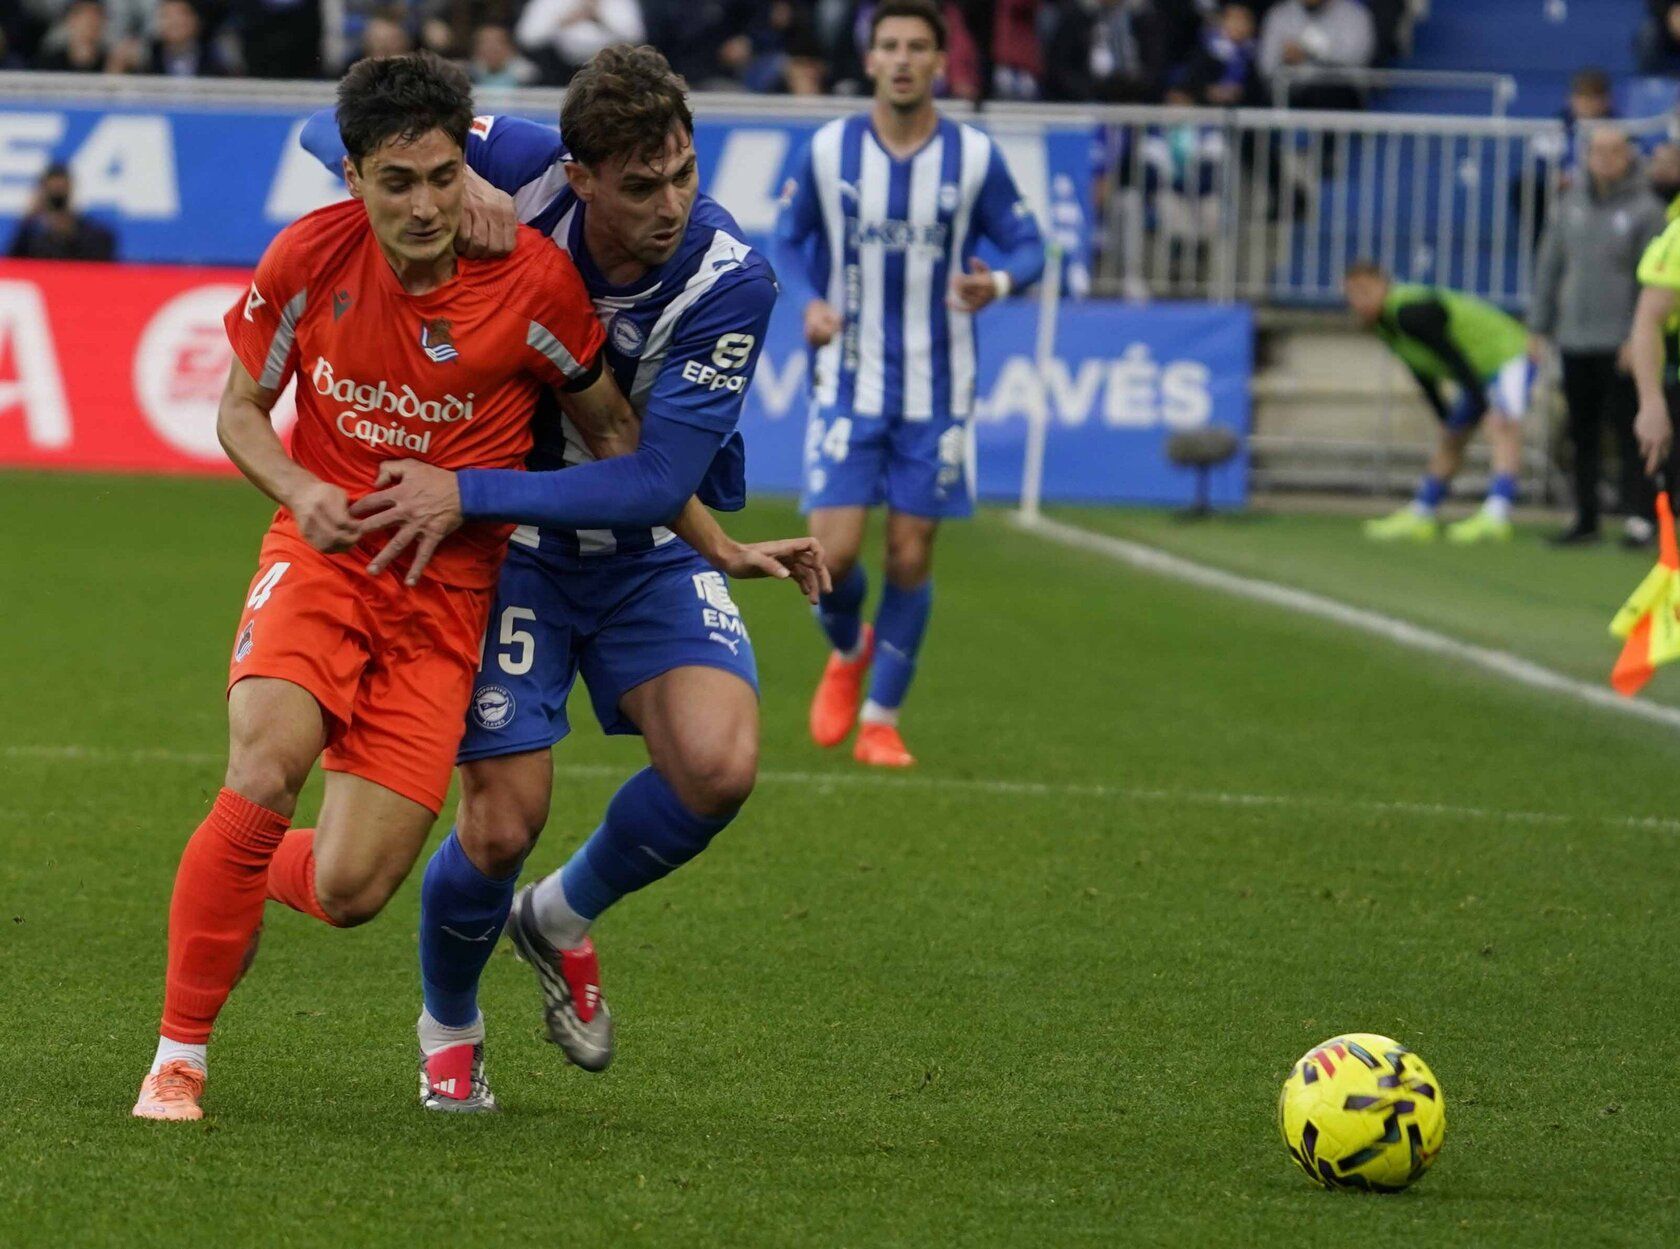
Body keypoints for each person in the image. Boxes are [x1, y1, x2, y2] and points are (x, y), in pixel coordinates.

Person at [298, 44, 826, 1111]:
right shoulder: (526, 168)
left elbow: (653, 479)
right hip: (513, 559)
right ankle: (449, 1021)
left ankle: (558, 915)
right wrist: (475, 181)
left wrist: (469, 490)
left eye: (684, 171)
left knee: (719, 766)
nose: (672, 202)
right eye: (641, 185)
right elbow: (331, 131)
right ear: (581, 176)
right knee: (499, 822)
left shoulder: (731, 281)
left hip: (636, 540)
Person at [127, 51, 621, 1122]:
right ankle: (179, 1058)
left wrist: (490, 496)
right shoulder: (307, 259)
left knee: (351, 891)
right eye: (397, 181)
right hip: (322, 554)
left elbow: (614, 439)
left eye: (443, 176)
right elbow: (240, 412)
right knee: (265, 764)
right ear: (352, 177)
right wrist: (300, 490)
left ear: (466, 169)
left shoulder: (535, 284)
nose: (425, 203)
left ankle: (229, 866)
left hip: (447, 601)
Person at [774, 0, 1045, 767]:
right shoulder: (829, 152)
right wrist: (810, 302)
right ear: (869, 60)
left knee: (910, 553)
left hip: (940, 386)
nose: (900, 58)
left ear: (939, 61)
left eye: (916, 46)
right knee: (830, 554)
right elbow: (786, 241)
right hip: (847, 380)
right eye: (888, 45)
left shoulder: (973, 157)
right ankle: (848, 646)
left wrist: (999, 278)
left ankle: (882, 720)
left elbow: (1030, 245)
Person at [1529, 126, 1667, 547]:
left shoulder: (1647, 209)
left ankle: (1640, 518)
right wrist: (1539, 326)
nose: (1606, 158)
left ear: (1629, 155)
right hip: (1575, 335)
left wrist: (1635, 336)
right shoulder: (1570, 204)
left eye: (1615, 150)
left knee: (1631, 432)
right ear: (1586, 156)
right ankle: (1585, 517)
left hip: (1621, 340)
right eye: (1598, 151)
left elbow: (1653, 282)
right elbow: (1550, 265)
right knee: (1581, 432)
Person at [1346, 262, 1533, 545]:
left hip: (1506, 355)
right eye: (1351, 294)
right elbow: (1421, 371)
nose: (1358, 301)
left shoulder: (1409, 312)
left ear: (1383, 285)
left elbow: (1453, 355)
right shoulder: (1384, 325)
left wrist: (1480, 402)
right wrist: (1445, 417)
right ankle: (1422, 511)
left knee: (1501, 425)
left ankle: (1497, 513)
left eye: (1364, 291)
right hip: (1477, 369)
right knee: (1451, 437)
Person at [1258, 0, 1374, 110]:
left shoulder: (1353, 14)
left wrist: (1310, 52)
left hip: (1339, 94)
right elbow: (1266, 67)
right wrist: (1285, 59)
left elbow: (1357, 57)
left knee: (1329, 92)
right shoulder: (1280, 14)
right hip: (1293, 93)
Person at [7, 163, 115, 260]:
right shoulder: (30, 234)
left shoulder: (92, 233)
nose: (57, 190)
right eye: (53, 187)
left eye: (61, 187)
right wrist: (28, 220)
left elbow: (102, 261)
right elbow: (13, 265)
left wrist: (69, 234)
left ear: (70, 189)